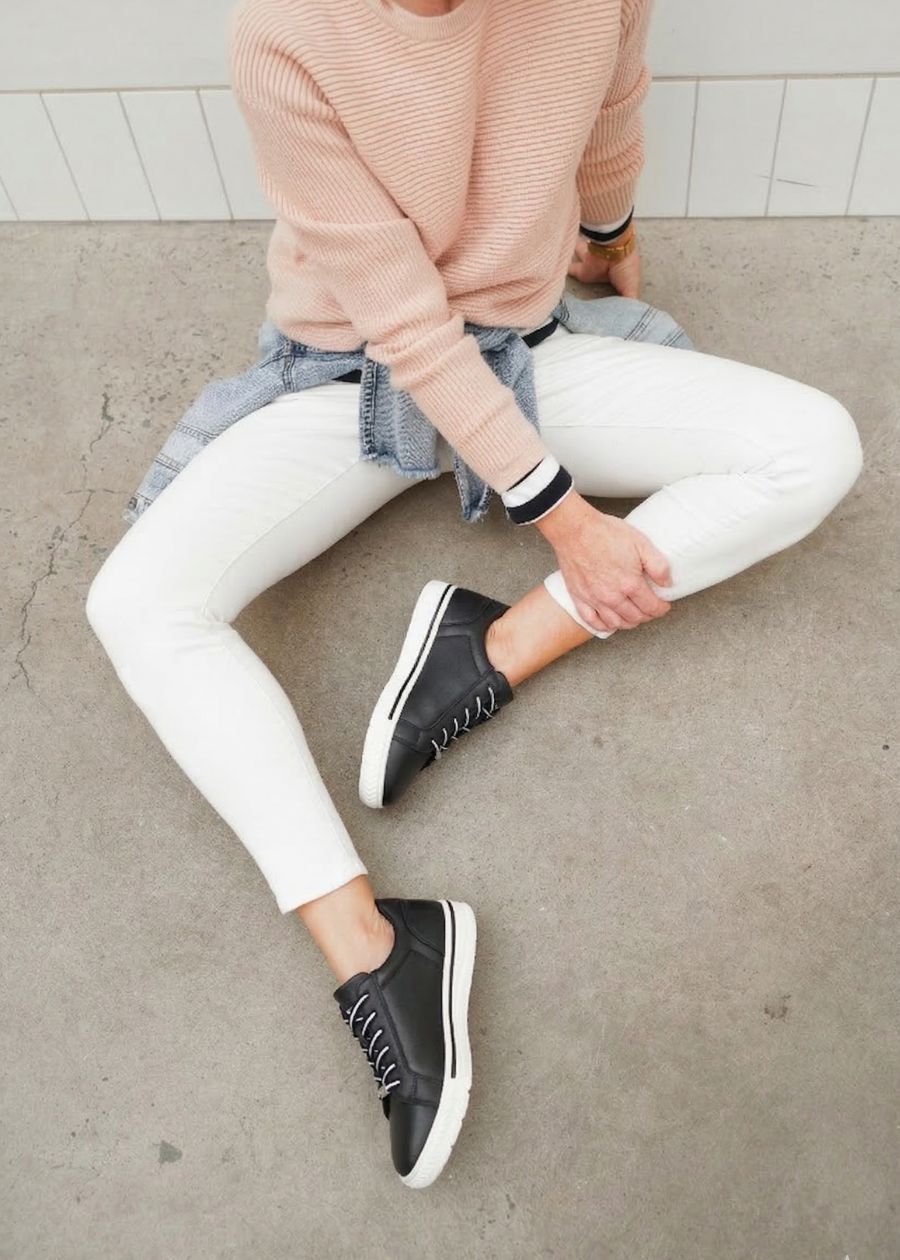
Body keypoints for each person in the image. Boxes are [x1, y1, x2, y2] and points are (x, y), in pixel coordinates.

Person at [84, 0, 864, 1190]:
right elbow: (399, 318)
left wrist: (608, 236)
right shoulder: (285, 30)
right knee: (136, 605)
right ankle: (380, 953)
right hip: (352, 371)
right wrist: (567, 521)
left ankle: (488, 646)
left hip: (526, 344)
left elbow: (606, 104)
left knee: (817, 448)